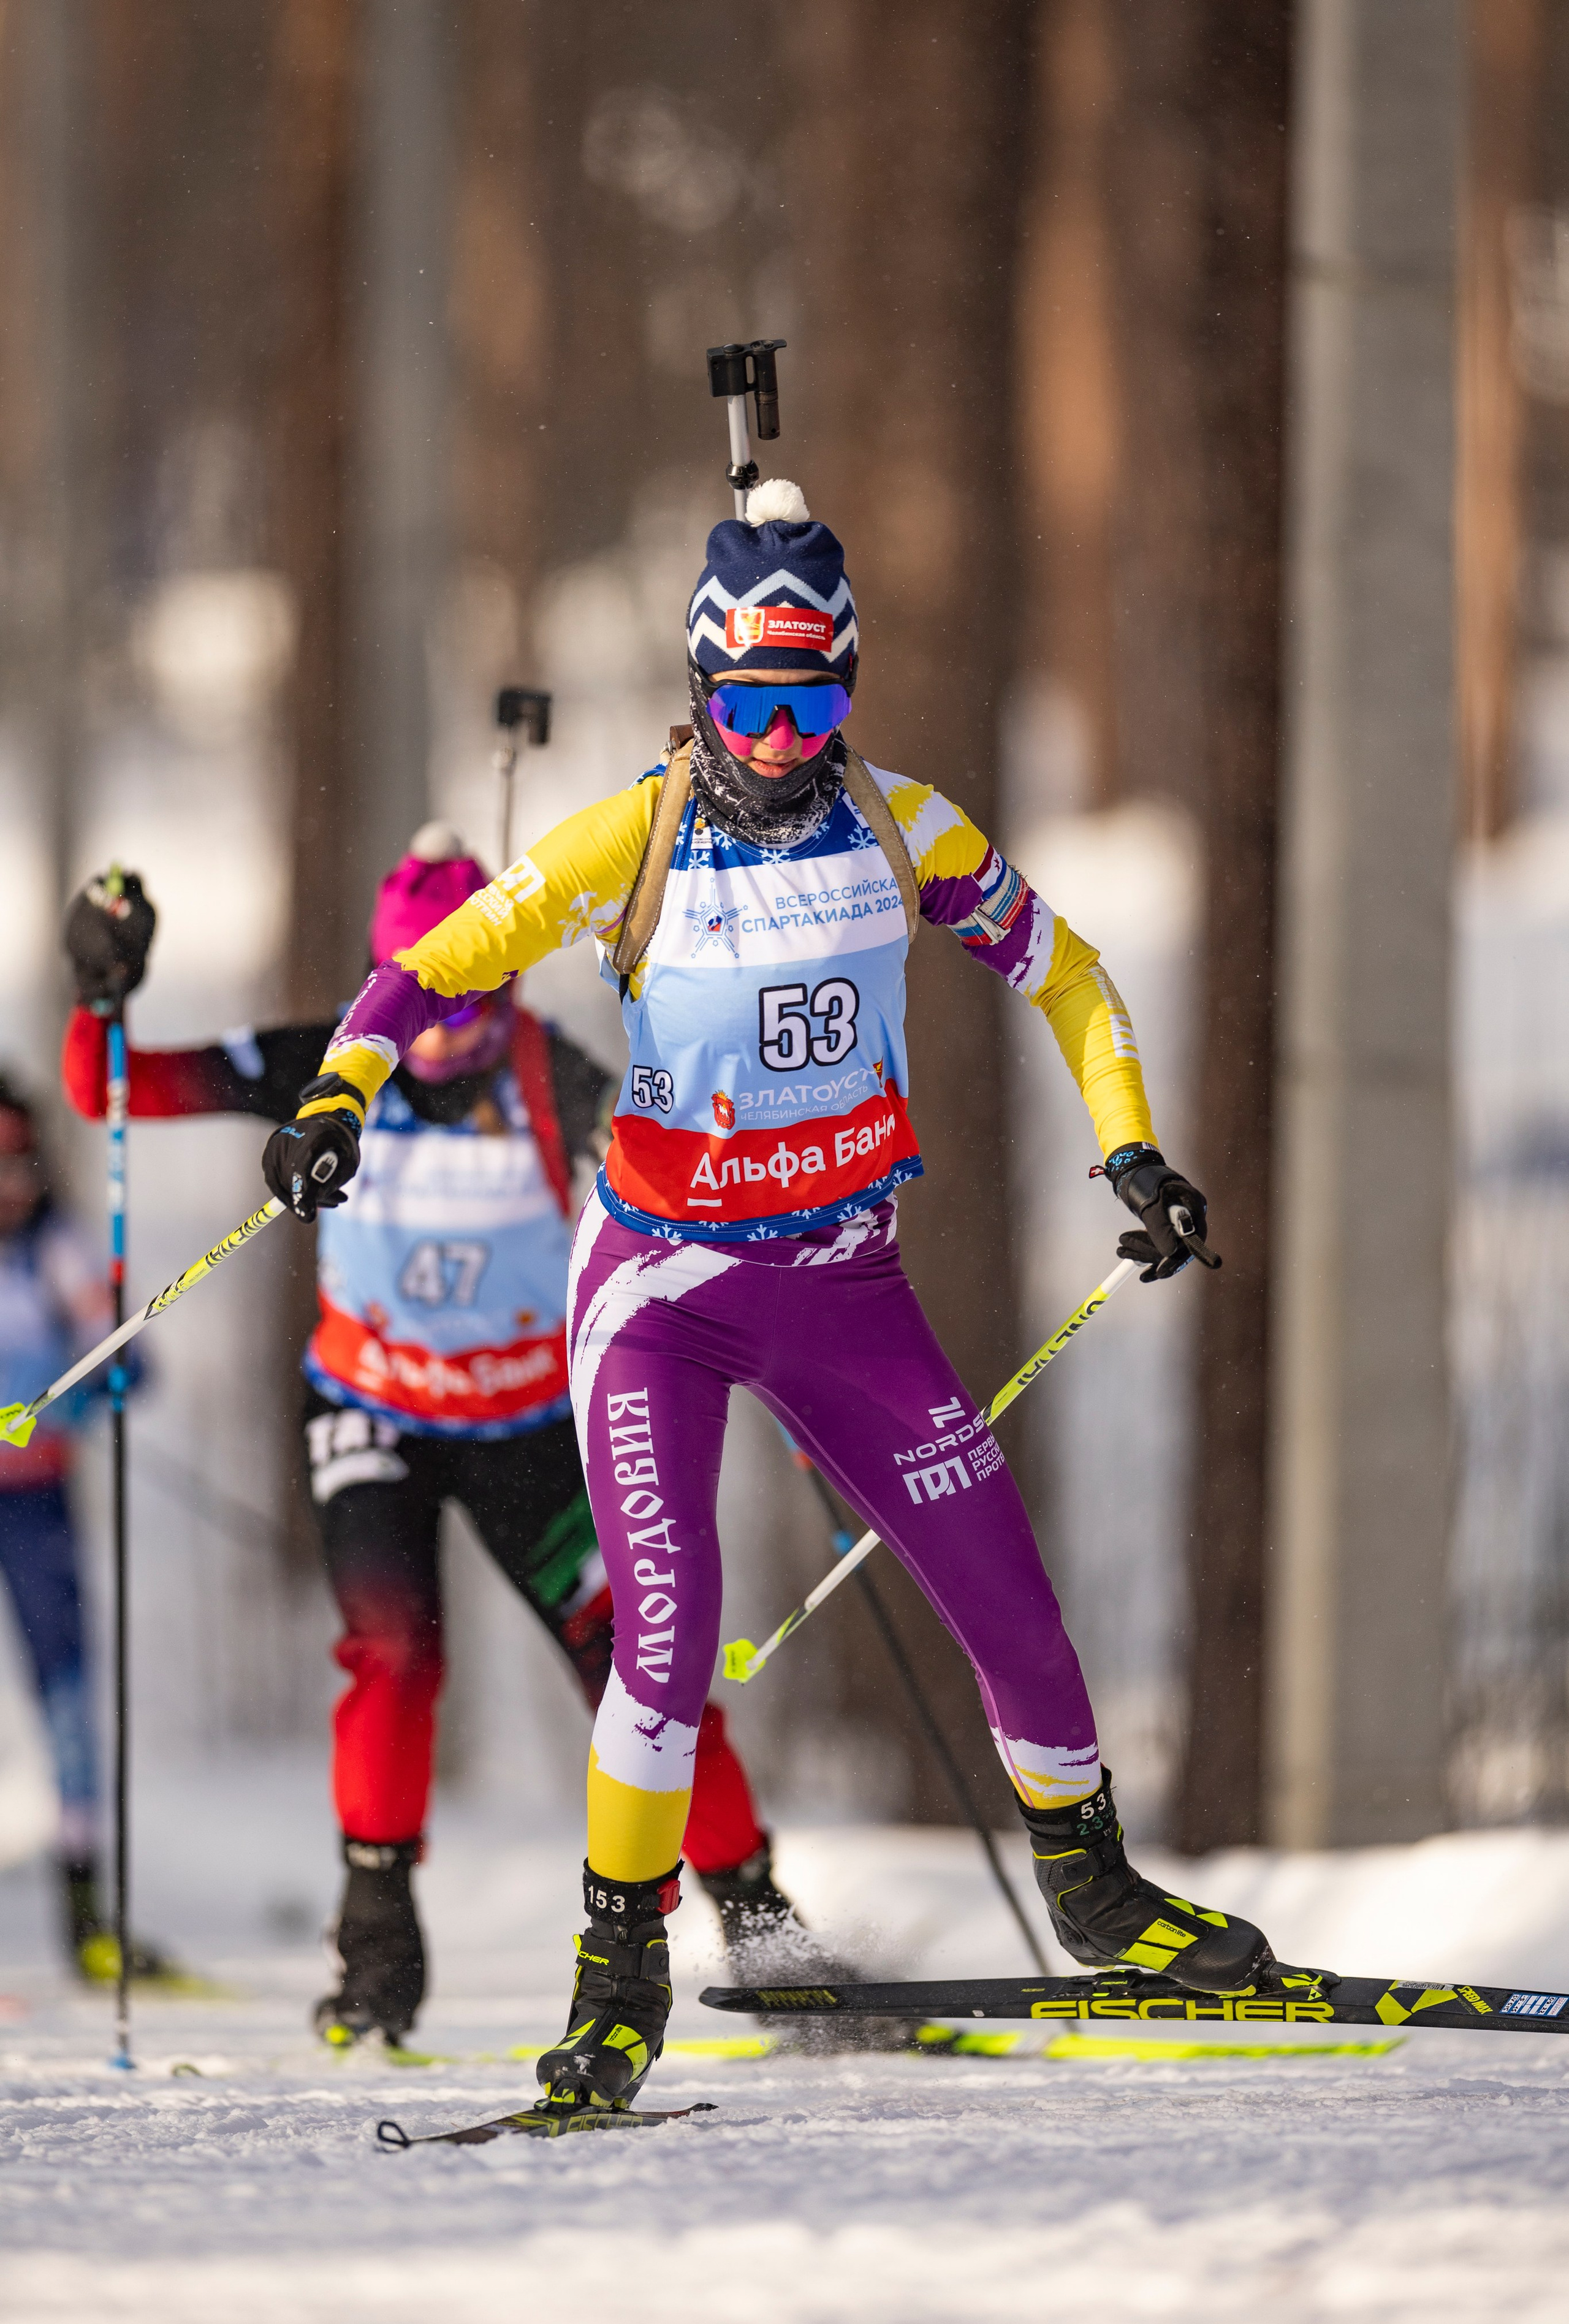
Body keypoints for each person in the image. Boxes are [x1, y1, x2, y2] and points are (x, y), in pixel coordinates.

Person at [260, 476, 1274, 2116]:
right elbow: (435, 964)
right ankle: (617, 1983)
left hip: (846, 1287)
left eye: (816, 701)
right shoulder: (637, 832)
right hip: (661, 1298)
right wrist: (337, 1092)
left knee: (1011, 1608)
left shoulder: (906, 826)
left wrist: (1131, 1154)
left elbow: (1072, 973)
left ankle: (1097, 1894)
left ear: (849, 689)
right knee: (665, 1647)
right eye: (753, 702)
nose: (786, 738)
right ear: (701, 687)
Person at [63, 824, 811, 2049]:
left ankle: (765, 1929)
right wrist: (100, 988)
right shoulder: (327, 1060)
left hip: (526, 1425)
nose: (448, 1023)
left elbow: (685, 1192)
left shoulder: (546, 1072)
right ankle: (378, 1959)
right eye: (426, 989)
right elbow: (110, 1092)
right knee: (395, 1658)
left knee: (640, 1661)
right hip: (373, 1415)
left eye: (478, 988)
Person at [0, 1069, 165, 1979]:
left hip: (35, 1507)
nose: (8, 1183)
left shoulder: (57, 1251)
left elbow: (131, 1365)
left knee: (68, 1699)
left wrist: (74, 1393)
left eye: (18, 1159)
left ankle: (84, 1914)